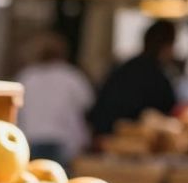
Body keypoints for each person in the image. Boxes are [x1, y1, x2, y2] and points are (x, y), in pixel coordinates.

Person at [87, 20, 179, 137]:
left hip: (104, 135)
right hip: (125, 139)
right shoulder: (155, 76)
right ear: (166, 46)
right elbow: (168, 112)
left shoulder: (125, 68)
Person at [15, 31, 93, 165]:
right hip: (64, 139)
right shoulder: (71, 76)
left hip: (32, 138)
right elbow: (87, 102)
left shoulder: (27, 77)